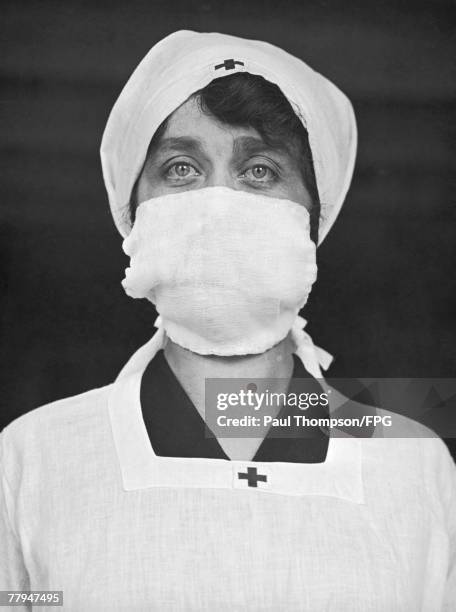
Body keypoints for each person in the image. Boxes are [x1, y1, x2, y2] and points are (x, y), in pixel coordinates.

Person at [1, 30, 455, 611]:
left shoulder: (414, 467)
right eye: (182, 168)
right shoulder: (33, 461)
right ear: (134, 215)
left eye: (260, 170)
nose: (218, 203)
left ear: (312, 222)